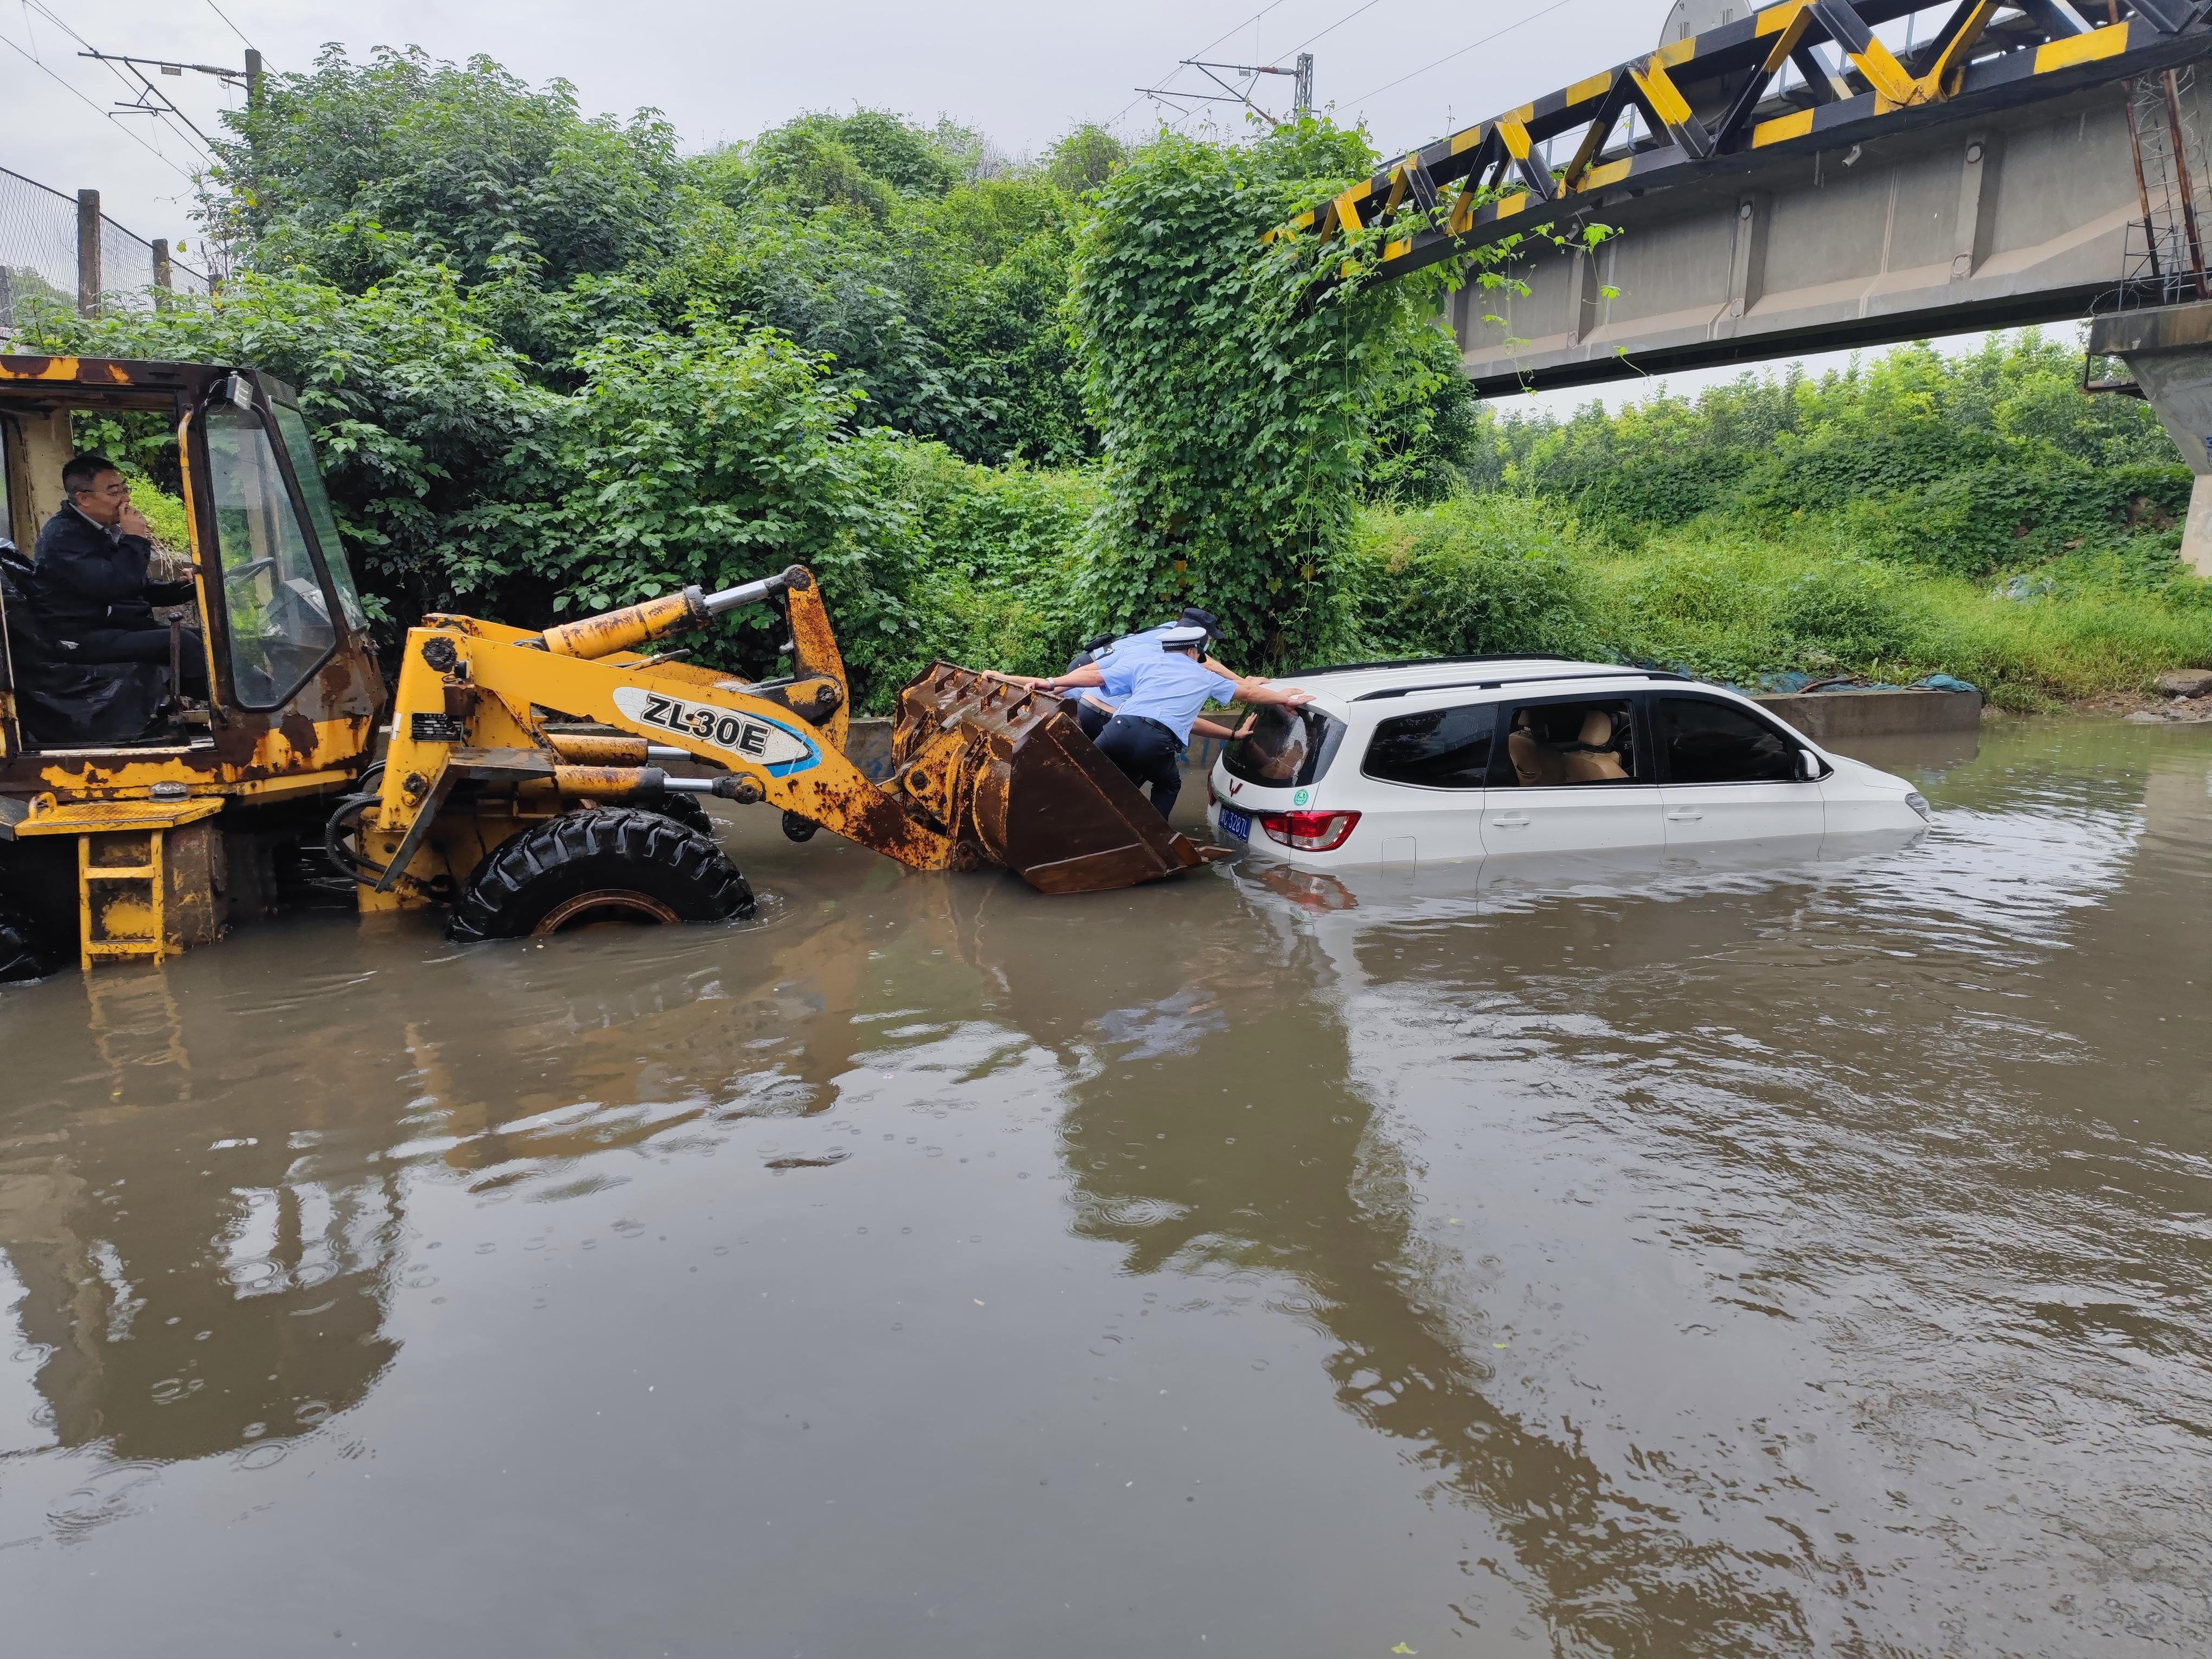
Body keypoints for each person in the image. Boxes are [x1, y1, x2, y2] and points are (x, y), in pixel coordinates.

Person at [1016, 624, 1313, 821]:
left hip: (1117, 730)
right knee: (1169, 783)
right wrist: (1281, 697)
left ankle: (1055, 819)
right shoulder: (1205, 676)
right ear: (1193, 651)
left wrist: (1051, 682)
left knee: (1096, 780)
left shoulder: (1142, 663)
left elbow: (1093, 677)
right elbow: (1247, 691)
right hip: (1155, 740)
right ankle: (1154, 835)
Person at [31, 452, 205, 697]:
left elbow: (134, 587)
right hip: (81, 636)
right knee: (183, 644)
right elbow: (116, 585)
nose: (126, 499)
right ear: (84, 499)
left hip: (114, 626)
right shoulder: (63, 536)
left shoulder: (100, 529)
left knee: (207, 638)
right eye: (114, 493)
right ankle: (223, 714)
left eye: (125, 489)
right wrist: (134, 539)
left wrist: (180, 588)